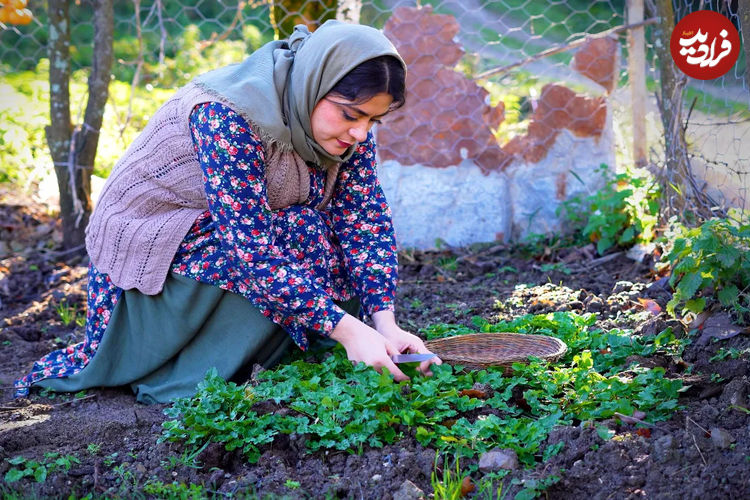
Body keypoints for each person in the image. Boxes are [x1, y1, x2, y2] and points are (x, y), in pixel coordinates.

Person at [15, 21, 440, 404]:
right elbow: (250, 249)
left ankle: (298, 346)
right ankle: (188, 372)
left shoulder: (345, 127)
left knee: (309, 229)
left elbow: (364, 220)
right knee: (298, 230)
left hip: (227, 245)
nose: (361, 132)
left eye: (374, 120)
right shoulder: (226, 117)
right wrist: (348, 327)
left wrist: (384, 323)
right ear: (314, 82)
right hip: (149, 270)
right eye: (352, 115)